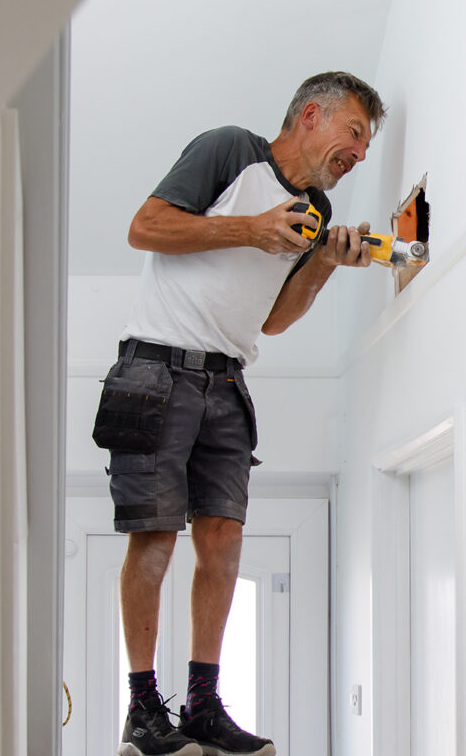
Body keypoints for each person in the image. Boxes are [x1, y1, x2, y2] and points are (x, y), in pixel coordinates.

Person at [93, 71, 386, 756]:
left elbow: (275, 318)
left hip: (228, 381)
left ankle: (201, 705)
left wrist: (324, 264)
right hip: (157, 367)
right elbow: (145, 227)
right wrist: (250, 229)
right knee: (157, 537)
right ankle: (142, 708)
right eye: (355, 134)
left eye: (367, 146)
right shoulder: (232, 152)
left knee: (222, 540)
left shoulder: (311, 209)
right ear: (311, 115)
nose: (360, 154)